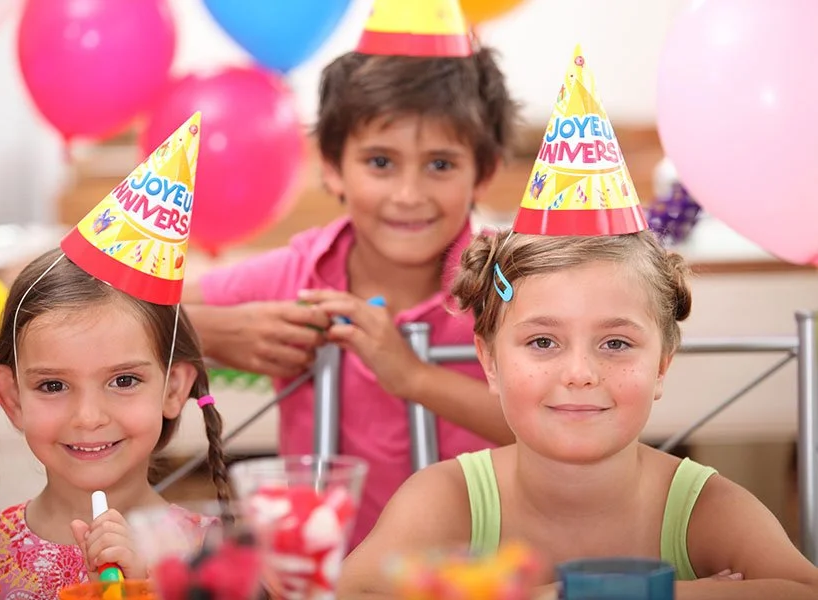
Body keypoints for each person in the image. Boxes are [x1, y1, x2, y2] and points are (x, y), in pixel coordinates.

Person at [337, 47, 818, 599]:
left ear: (662, 366)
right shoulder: (449, 500)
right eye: (543, 341)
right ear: (489, 362)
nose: (580, 372)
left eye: (615, 343)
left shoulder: (701, 506)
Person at [183, 0, 520, 548]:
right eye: (380, 162)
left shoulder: (513, 284)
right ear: (333, 167)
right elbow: (102, 308)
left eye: (440, 164)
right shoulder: (298, 276)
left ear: (483, 174)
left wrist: (413, 377)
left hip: (480, 575)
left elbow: (558, 431)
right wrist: (208, 330)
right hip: (329, 575)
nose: (408, 195)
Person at [0, 114, 230, 599]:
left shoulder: (216, 562)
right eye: (53, 385)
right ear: (12, 397)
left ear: (174, 387)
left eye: (124, 380)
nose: (88, 417)